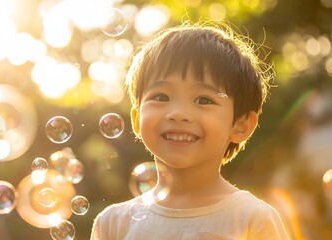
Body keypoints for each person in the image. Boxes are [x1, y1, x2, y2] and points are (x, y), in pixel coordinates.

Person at [90, 20, 290, 240]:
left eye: (204, 99)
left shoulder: (252, 219)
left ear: (240, 125)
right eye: (161, 97)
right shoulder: (113, 223)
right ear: (137, 118)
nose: (178, 113)